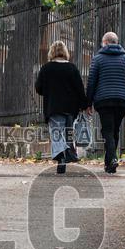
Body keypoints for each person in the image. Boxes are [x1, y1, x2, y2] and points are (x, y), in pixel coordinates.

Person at [85, 32, 125, 174]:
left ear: (105, 43)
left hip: (104, 100)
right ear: (116, 42)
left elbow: (91, 82)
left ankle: (113, 158)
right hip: (123, 100)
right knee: (114, 130)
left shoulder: (97, 59)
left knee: (107, 130)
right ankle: (109, 163)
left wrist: (88, 103)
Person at [34, 40, 87, 174]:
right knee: (67, 133)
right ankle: (67, 153)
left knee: (56, 132)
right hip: (71, 108)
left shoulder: (46, 68)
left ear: (51, 52)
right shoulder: (72, 68)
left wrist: (49, 91)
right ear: (65, 52)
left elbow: (39, 88)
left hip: (53, 106)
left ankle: (62, 155)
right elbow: (80, 89)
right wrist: (85, 105)